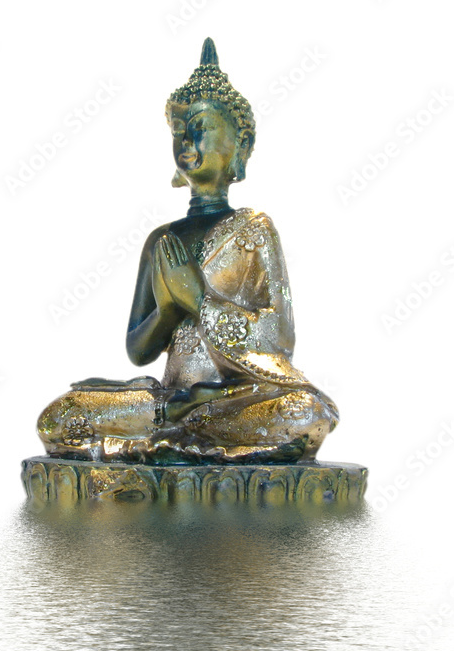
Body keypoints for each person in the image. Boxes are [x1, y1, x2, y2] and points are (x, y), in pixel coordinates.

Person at [37, 39, 338, 464]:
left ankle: (152, 447)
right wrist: (167, 309)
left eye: (200, 126)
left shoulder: (255, 230)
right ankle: (180, 439)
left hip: (234, 397)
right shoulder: (162, 240)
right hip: (169, 403)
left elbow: (279, 339)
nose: (186, 139)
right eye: (178, 130)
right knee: (61, 416)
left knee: (306, 414)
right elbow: (138, 350)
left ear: (240, 145)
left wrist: (197, 300)